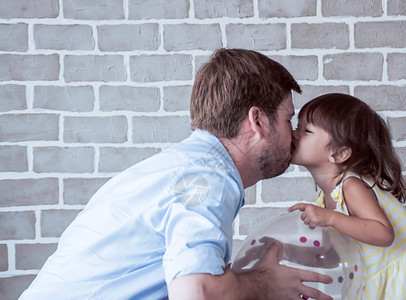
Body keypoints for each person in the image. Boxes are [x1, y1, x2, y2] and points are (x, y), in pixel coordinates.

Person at [20, 48, 334, 300]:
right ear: (257, 121)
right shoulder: (205, 179)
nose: (293, 135)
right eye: (287, 119)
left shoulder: (186, 169)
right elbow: (197, 291)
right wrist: (265, 285)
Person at [289, 93, 406, 299]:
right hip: (375, 283)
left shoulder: (351, 186)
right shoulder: (324, 200)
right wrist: (290, 251)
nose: (294, 133)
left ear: (340, 154)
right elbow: (340, 254)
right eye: (297, 126)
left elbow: (383, 233)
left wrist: (330, 217)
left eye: (305, 130)